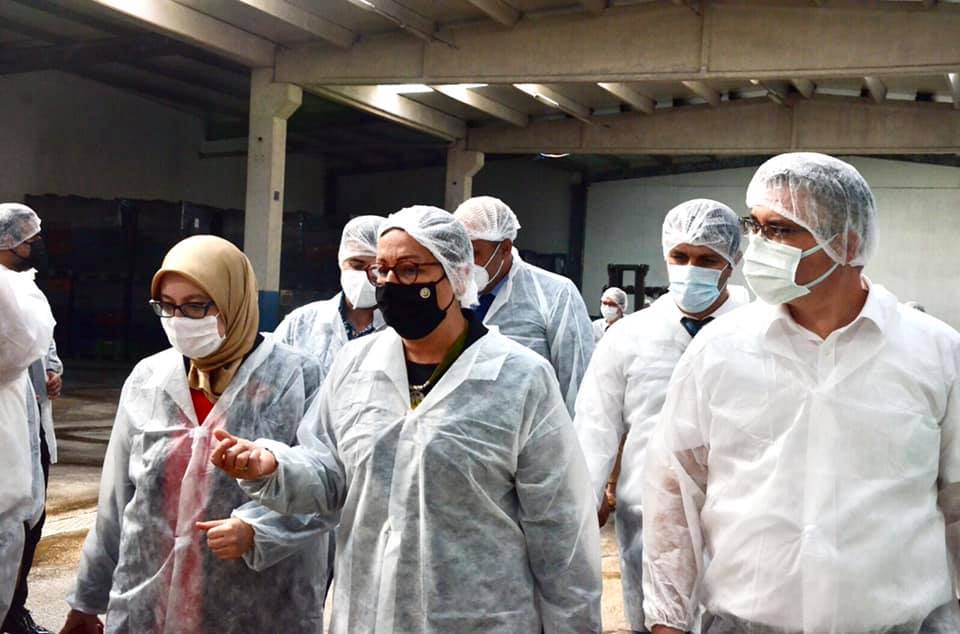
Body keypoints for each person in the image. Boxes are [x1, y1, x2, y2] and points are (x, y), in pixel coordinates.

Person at [211, 205, 603, 633]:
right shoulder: (356, 365)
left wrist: (574, 624)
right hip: (366, 615)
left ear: (457, 275)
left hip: (477, 619)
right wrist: (272, 467)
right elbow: (330, 474)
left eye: (410, 269)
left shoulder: (518, 378)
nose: (391, 283)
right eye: (382, 270)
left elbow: (559, 525)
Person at [643, 153, 960, 633]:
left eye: (781, 230)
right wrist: (668, 619)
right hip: (743, 623)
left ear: (848, 243)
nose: (758, 245)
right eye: (755, 227)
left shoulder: (933, 352)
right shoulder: (720, 350)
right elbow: (675, 492)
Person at [61, 236, 330, 634]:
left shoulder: (297, 378)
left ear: (233, 301)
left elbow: (326, 486)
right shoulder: (149, 379)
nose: (178, 319)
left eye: (195, 306)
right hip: (147, 603)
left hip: (260, 606)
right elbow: (118, 501)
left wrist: (258, 531)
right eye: (166, 305)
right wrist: (87, 600)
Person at [574, 199, 747, 634]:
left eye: (707, 260)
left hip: (738, 523)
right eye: (680, 256)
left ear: (733, 262)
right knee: (655, 622)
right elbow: (595, 424)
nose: (691, 269)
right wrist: (583, 504)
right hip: (647, 522)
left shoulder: (758, 332)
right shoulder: (629, 337)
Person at [453, 196, 594, 415]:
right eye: (459, 252)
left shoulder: (554, 294)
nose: (465, 264)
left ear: (505, 248)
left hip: (531, 430)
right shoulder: (448, 292)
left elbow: (577, 382)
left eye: (474, 253)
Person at [0, 204, 55, 627]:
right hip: (10, 428)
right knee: (12, 523)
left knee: (28, 525)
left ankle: (15, 610)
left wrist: (53, 369)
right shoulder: (8, 294)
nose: (35, 247)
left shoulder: (26, 289)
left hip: (31, 419)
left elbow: (45, 345)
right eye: (29, 241)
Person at [274, 215, 386, 377]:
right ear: (341, 262)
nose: (364, 276)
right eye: (356, 265)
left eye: (376, 269)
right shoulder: (301, 323)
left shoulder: (402, 329)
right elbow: (272, 376)